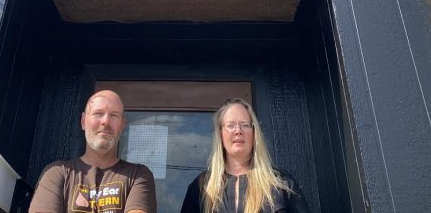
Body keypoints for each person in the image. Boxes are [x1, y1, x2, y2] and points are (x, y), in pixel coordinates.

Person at [29, 90, 157, 213]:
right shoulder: (56, 173)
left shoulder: (138, 176)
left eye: (114, 115)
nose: (105, 122)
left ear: (122, 125)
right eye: (98, 113)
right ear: (83, 121)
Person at [180, 98, 310, 213]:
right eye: (231, 125)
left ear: (254, 134)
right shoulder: (201, 187)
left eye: (245, 125)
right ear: (220, 134)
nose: (238, 131)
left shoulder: (281, 183)